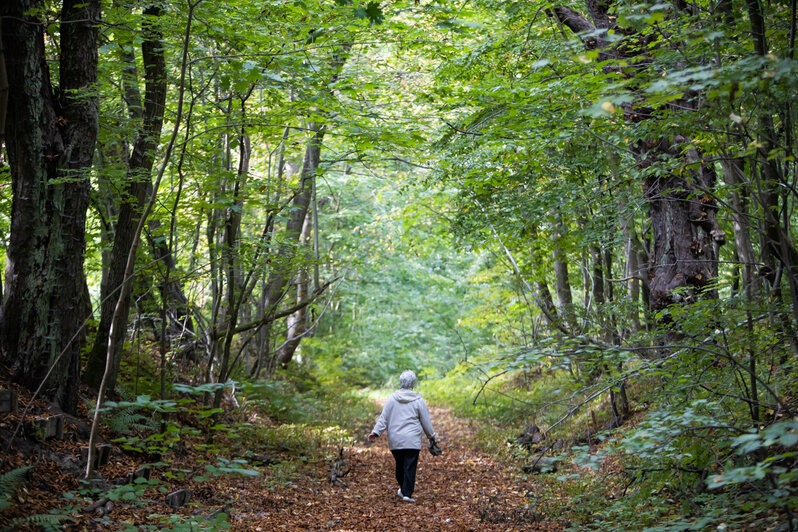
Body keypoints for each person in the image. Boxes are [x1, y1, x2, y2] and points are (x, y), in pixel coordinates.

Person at [368, 370, 437, 503]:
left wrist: (376, 432)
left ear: (401, 382)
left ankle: (404, 490)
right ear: (413, 383)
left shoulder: (392, 399)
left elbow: (384, 418)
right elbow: (425, 421)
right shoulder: (419, 400)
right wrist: (431, 436)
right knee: (409, 466)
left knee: (400, 465)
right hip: (412, 440)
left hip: (396, 439)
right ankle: (406, 493)